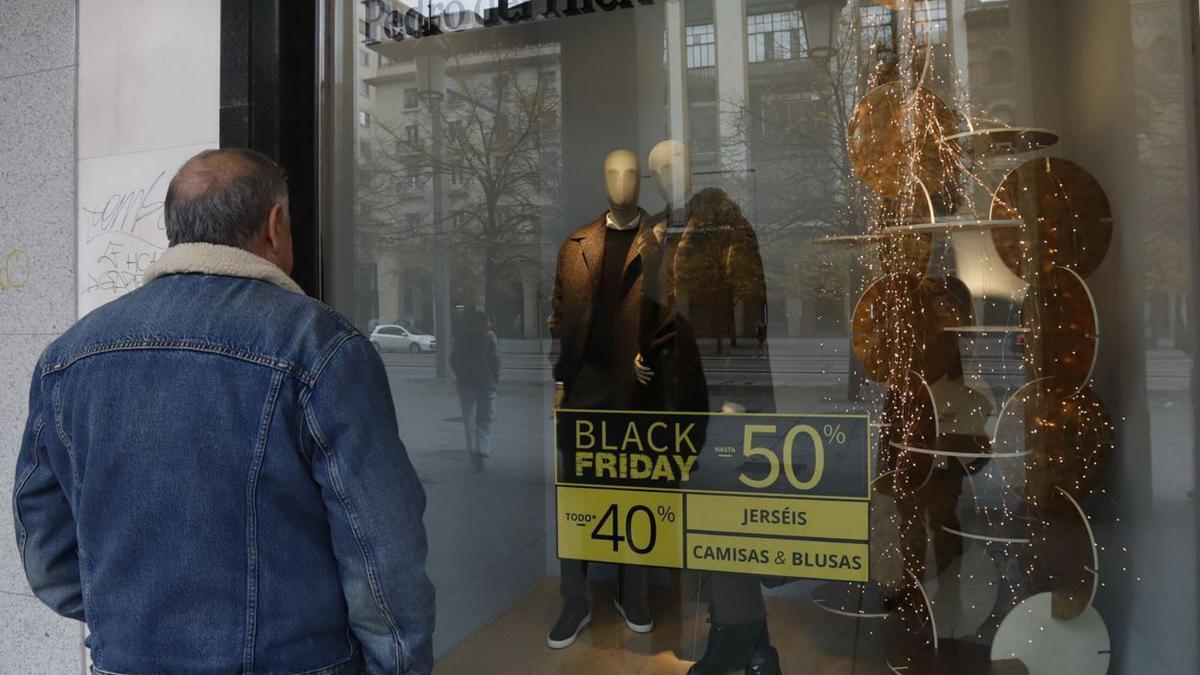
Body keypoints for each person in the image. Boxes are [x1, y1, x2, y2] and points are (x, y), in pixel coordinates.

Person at [12, 149, 435, 674]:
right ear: (274, 226)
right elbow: (379, 546)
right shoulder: (318, 345)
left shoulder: (69, 356)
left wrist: (129, 621)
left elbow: (46, 550)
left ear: (177, 231)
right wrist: (399, 664)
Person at [450, 309, 500, 458]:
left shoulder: (462, 337)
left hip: (466, 385)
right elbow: (495, 359)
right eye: (488, 321)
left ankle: (473, 451)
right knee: (485, 419)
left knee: (469, 420)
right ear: (485, 323)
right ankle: (482, 449)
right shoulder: (490, 337)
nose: (489, 324)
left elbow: (453, 360)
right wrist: (495, 377)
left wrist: (461, 375)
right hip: (486, 384)